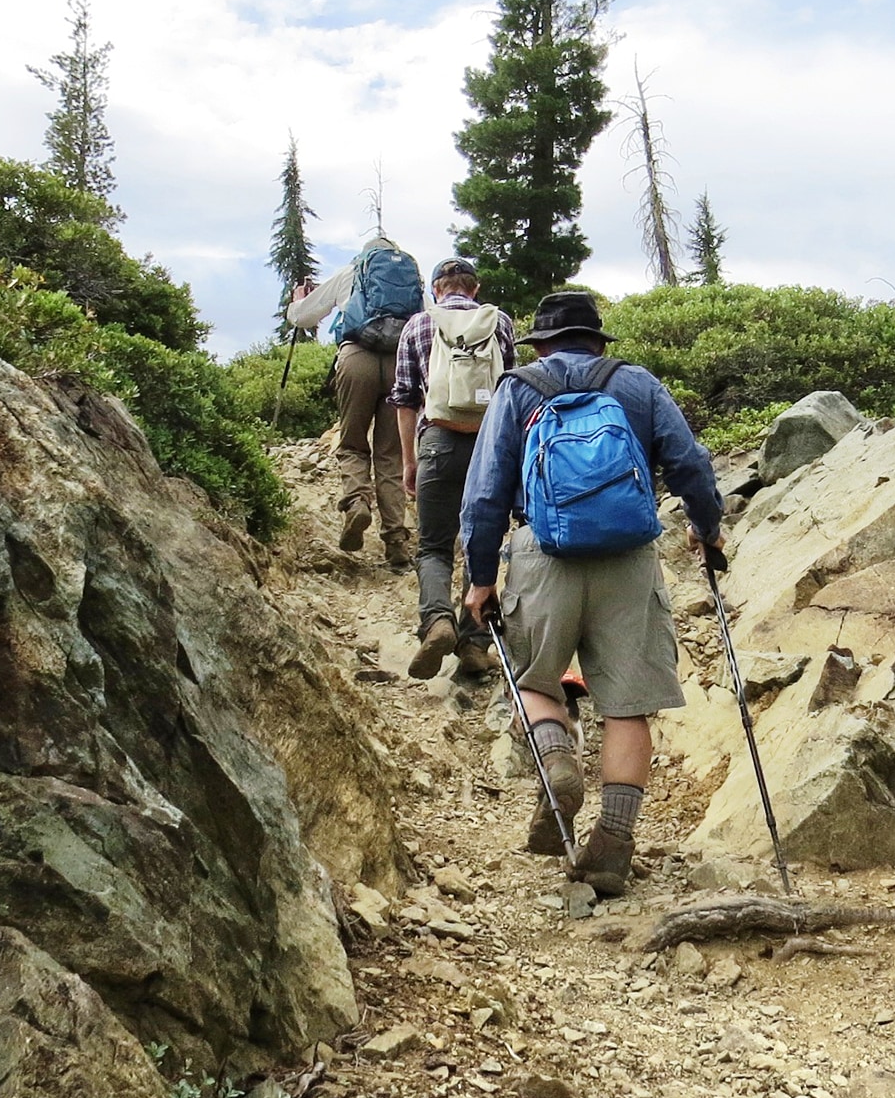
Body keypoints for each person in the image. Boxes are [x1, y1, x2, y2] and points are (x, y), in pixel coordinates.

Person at [460, 290, 723, 896]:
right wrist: (706, 529)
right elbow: (689, 463)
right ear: (597, 342)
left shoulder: (517, 389)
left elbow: (485, 491)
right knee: (627, 706)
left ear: (541, 345)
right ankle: (612, 845)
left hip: (542, 553)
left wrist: (481, 575)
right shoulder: (637, 384)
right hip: (629, 558)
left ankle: (557, 759)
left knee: (534, 681)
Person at [389, 257, 517, 680]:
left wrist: (409, 460)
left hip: (438, 442)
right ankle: (474, 644)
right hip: (489, 444)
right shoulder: (499, 322)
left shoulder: (417, 325)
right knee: (482, 542)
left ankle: (437, 622)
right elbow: (513, 391)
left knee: (433, 546)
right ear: (475, 288)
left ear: (435, 289)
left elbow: (405, 399)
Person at [288, 233, 422, 565]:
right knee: (390, 454)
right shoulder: (412, 278)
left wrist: (297, 301)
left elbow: (303, 318)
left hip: (356, 358)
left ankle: (357, 503)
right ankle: (396, 542)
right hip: (399, 363)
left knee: (352, 443)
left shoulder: (351, 272)